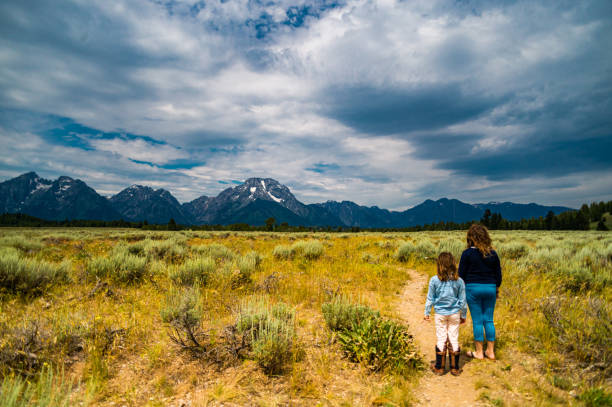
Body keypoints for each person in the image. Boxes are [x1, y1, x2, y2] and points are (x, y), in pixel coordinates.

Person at [459, 224, 502, 360]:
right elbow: (498, 275)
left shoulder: (467, 254)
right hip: (490, 287)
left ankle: (479, 352)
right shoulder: (493, 253)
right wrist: (495, 287)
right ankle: (490, 351)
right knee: (488, 320)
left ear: (470, 238)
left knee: (477, 321)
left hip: (473, 288)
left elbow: (461, 274)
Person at [424, 252, 467, 376]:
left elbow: (430, 298)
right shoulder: (459, 281)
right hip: (454, 314)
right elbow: (463, 301)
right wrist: (463, 315)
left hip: (440, 315)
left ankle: (439, 367)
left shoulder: (434, 280)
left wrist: (426, 313)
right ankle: (455, 368)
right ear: (453, 264)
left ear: (439, 265)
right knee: (454, 337)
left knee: (441, 337)